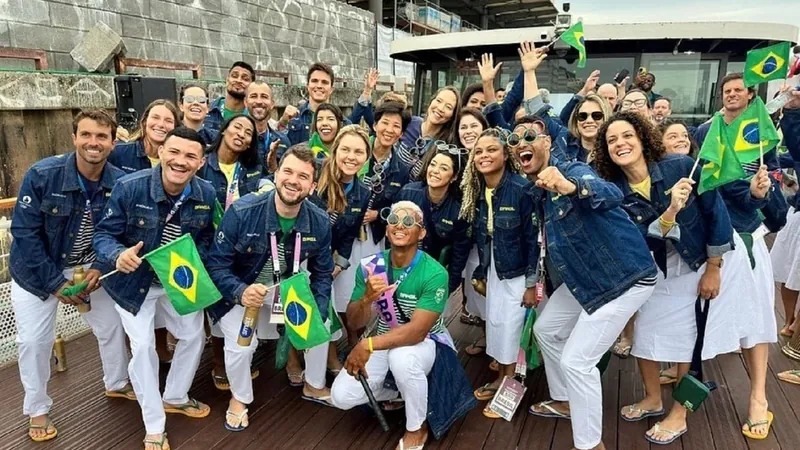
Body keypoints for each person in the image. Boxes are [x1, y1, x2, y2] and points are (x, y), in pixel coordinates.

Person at [511, 45, 658, 449]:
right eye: (516, 140)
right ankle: (567, 399)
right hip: (588, 281)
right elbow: (535, 116)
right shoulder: (535, 190)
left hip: (626, 279)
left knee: (578, 359)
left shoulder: (571, 168)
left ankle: (591, 444)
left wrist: (570, 185)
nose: (522, 142)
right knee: (547, 329)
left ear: (548, 145)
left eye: (530, 137)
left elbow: (609, 193)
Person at [594, 112, 757, 445]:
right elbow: (640, 240)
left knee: (687, 341)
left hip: (698, 260)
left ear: (643, 139)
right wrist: (669, 211)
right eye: (612, 140)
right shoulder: (616, 193)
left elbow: (716, 214)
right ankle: (653, 398)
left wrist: (714, 266)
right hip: (657, 267)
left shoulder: (681, 167)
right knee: (645, 334)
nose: (621, 144)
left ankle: (680, 413)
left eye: (627, 136)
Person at [10, 110, 133, 443]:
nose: (94, 143)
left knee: (112, 326)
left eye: (102, 137)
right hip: (37, 271)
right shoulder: (42, 174)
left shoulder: (120, 182)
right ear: (74, 138)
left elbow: (119, 232)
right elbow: (23, 232)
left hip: (91, 267)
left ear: (113, 141)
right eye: (87, 135)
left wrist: (101, 265)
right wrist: (55, 283)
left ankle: (117, 382)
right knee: (34, 341)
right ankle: (37, 408)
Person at [94, 127, 217, 450]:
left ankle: (175, 394)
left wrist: (193, 260)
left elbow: (205, 238)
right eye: (173, 152)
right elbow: (103, 235)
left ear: (201, 162)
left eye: (190, 156)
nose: (180, 161)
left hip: (177, 281)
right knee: (144, 348)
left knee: (193, 335)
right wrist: (117, 255)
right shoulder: (128, 187)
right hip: (132, 283)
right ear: (160, 152)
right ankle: (153, 424)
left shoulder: (206, 194)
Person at [206, 145, 335, 431]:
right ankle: (239, 397)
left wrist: (318, 310)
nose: (293, 180)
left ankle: (314, 385)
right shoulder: (242, 211)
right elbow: (215, 265)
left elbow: (323, 273)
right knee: (242, 347)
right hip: (242, 292)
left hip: (284, 290)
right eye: (288, 171)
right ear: (276, 175)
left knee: (321, 321)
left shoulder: (319, 221)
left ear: (313, 186)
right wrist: (240, 291)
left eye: (303, 176)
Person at [330, 201, 453, 450]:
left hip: (426, 342)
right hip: (385, 338)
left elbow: (418, 332)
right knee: (340, 396)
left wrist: (368, 343)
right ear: (386, 230)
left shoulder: (434, 272)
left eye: (409, 222)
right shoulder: (371, 266)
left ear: (422, 233)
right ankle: (402, 392)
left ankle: (416, 428)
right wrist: (366, 297)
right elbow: (353, 322)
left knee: (403, 359)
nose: (400, 225)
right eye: (394, 219)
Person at [458, 126, 536, 416]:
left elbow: (533, 239)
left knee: (513, 329)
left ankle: (510, 383)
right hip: (495, 271)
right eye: (478, 151)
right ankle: (502, 376)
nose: (484, 155)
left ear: (506, 154)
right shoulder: (480, 190)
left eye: (491, 150)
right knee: (498, 326)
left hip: (518, 274)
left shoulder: (521, 189)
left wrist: (531, 283)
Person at [307, 125, 371, 361]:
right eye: (345, 149)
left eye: (358, 152)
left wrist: (340, 263)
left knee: (327, 307)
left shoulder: (363, 192)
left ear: (366, 157)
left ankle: (328, 358)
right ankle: (295, 361)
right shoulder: (316, 174)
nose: (351, 157)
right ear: (335, 150)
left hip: (328, 258)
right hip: (301, 253)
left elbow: (350, 234)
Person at [396, 142, 471, 297]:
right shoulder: (408, 193)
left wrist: (448, 287)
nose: (435, 171)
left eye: (444, 168)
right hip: (404, 267)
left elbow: (459, 253)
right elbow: (392, 233)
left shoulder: (460, 209)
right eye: (433, 164)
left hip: (436, 272)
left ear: (454, 176)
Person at [358, 101, 414, 259]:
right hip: (344, 231)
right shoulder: (355, 154)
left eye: (396, 126)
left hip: (376, 236)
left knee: (372, 279)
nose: (389, 130)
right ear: (375, 125)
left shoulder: (402, 170)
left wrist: (377, 214)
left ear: (401, 133)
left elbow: (400, 208)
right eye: (385, 123)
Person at [282, 63, 374, 145]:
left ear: (331, 89)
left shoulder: (344, 123)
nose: (319, 86)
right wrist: (283, 122)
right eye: (314, 81)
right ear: (308, 86)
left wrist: (367, 91)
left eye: (324, 82)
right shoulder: (293, 118)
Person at [771, 89, 800, 338]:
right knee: (787, 269)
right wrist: (790, 111)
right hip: (798, 213)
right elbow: (792, 150)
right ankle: (790, 319)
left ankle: (797, 328)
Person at [198, 115, 265, 209]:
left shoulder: (254, 168)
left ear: (250, 144)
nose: (241, 135)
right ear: (223, 130)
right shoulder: (200, 164)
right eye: (237, 127)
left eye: (248, 133)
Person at [109, 99, 180, 174]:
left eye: (168, 121)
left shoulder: (179, 159)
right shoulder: (119, 152)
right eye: (155, 117)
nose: (161, 124)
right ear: (145, 121)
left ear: (175, 127)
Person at [243, 80, 290, 169]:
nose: (259, 101)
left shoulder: (283, 141)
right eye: (253, 96)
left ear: (272, 104)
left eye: (264, 97)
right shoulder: (239, 138)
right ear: (245, 102)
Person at [203, 61, 255, 132]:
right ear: (227, 80)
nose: (239, 80)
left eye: (245, 79)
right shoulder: (208, 111)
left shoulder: (254, 118)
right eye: (234, 76)